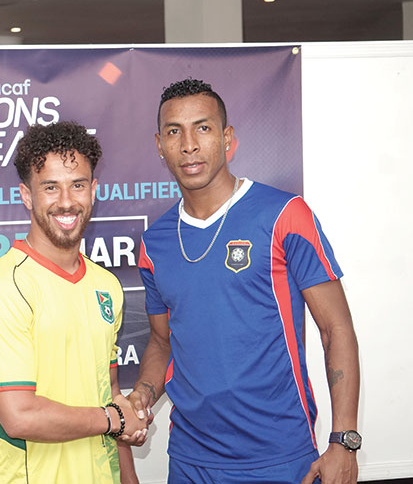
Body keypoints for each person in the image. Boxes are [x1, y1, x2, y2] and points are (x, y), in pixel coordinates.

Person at [126, 79, 360, 483]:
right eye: (174, 131)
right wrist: (142, 397)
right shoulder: (154, 242)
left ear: (227, 137)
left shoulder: (285, 214)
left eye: (203, 127)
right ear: (159, 145)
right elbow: (163, 342)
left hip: (280, 457)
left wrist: (343, 440)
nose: (189, 144)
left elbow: (335, 329)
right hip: (189, 460)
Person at [0, 120, 146, 484]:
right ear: (27, 195)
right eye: (50, 187)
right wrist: (114, 419)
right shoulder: (1, 288)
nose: (66, 201)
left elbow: (109, 393)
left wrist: (128, 476)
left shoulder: (105, 285)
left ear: (93, 190)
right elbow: (20, 417)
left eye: (77, 185)